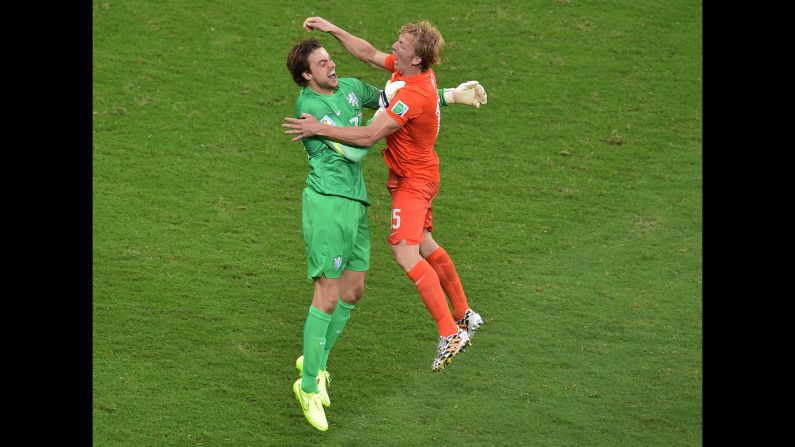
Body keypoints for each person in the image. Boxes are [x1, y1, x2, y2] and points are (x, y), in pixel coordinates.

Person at [285, 37, 486, 431]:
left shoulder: (350, 88)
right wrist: (363, 132)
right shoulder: (309, 108)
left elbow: (395, 101)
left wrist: (447, 95)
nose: (331, 66)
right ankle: (308, 385)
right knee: (326, 295)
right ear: (307, 75)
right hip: (327, 204)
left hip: (356, 203)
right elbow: (358, 150)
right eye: (322, 64)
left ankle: (316, 362)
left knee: (354, 291)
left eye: (330, 59)